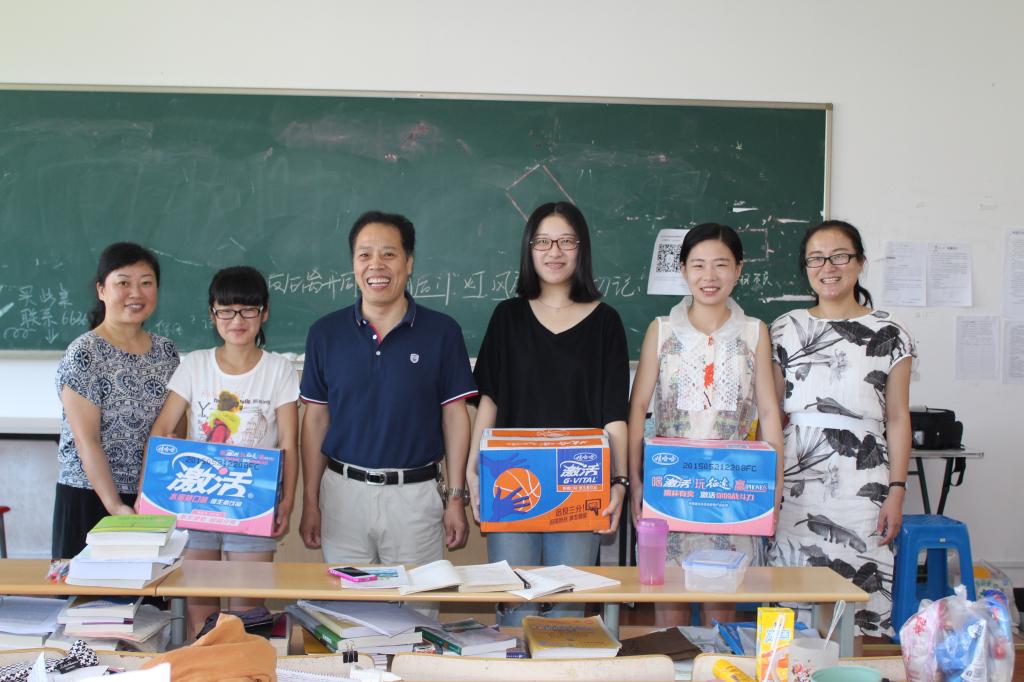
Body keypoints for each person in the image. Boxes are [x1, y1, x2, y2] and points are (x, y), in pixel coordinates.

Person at [466, 201, 630, 626]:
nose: (554, 251)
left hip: (579, 485)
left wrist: (619, 483)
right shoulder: (507, 317)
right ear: (529, 249)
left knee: (566, 610)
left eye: (566, 241)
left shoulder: (606, 322)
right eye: (543, 241)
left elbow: (615, 415)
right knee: (513, 603)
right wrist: (472, 469)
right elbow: (489, 400)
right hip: (511, 481)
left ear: (582, 249)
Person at [299, 211, 476, 569]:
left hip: (415, 498)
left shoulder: (442, 332)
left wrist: (456, 498)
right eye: (364, 254)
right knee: (348, 602)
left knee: (417, 600)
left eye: (389, 254)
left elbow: (455, 417)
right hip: (343, 496)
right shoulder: (325, 333)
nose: (376, 265)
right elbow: (315, 419)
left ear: (409, 263)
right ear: (353, 264)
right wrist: (310, 501)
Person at [627, 223, 784, 625]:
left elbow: (769, 413)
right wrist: (636, 484)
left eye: (721, 264)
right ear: (683, 270)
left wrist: (775, 488)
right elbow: (638, 407)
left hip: (731, 493)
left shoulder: (754, 332)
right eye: (698, 265)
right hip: (670, 489)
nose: (709, 276)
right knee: (670, 607)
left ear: (739, 269)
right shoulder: (662, 330)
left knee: (721, 610)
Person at [768, 220, 915, 642]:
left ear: (860, 262)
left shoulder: (891, 332)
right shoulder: (784, 327)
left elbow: (898, 417)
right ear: (805, 268)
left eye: (839, 256)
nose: (827, 267)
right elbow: (771, 413)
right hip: (796, 478)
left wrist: (897, 489)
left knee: (859, 594)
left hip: (863, 482)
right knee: (792, 592)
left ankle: (852, 668)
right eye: (816, 259)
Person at [148, 266, 299, 637]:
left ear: (264, 312)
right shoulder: (195, 364)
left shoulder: (279, 369)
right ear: (212, 314)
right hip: (195, 502)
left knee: (249, 616)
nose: (237, 320)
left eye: (248, 310)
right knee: (201, 617)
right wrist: (150, 496)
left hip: (252, 503)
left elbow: (289, 443)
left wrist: (287, 501)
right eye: (226, 310)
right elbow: (163, 430)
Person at [52, 242, 179, 559]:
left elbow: (173, 431)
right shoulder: (85, 354)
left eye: (146, 283)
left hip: (147, 500)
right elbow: (87, 441)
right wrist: (115, 506)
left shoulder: (166, 353)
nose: (136, 293)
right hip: (90, 496)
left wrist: (151, 496)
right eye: (123, 282)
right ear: (101, 290)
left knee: (148, 589)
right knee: (90, 589)